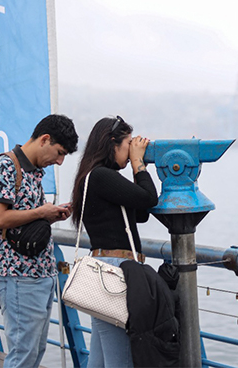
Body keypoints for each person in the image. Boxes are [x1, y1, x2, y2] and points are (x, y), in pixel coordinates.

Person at [0, 114, 79, 368]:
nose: (59, 162)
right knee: (23, 354)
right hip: (18, 275)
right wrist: (41, 212)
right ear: (44, 139)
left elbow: (22, 221)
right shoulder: (6, 166)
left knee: (34, 351)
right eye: (59, 153)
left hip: (38, 274)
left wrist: (50, 215)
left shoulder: (33, 171)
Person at [70, 116, 158, 368]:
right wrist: (138, 164)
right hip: (114, 271)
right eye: (128, 144)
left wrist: (133, 167)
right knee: (121, 360)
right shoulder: (100, 176)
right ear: (112, 144)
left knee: (99, 359)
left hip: (104, 267)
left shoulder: (93, 177)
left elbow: (139, 213)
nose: (131, 150)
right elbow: (150, 199)